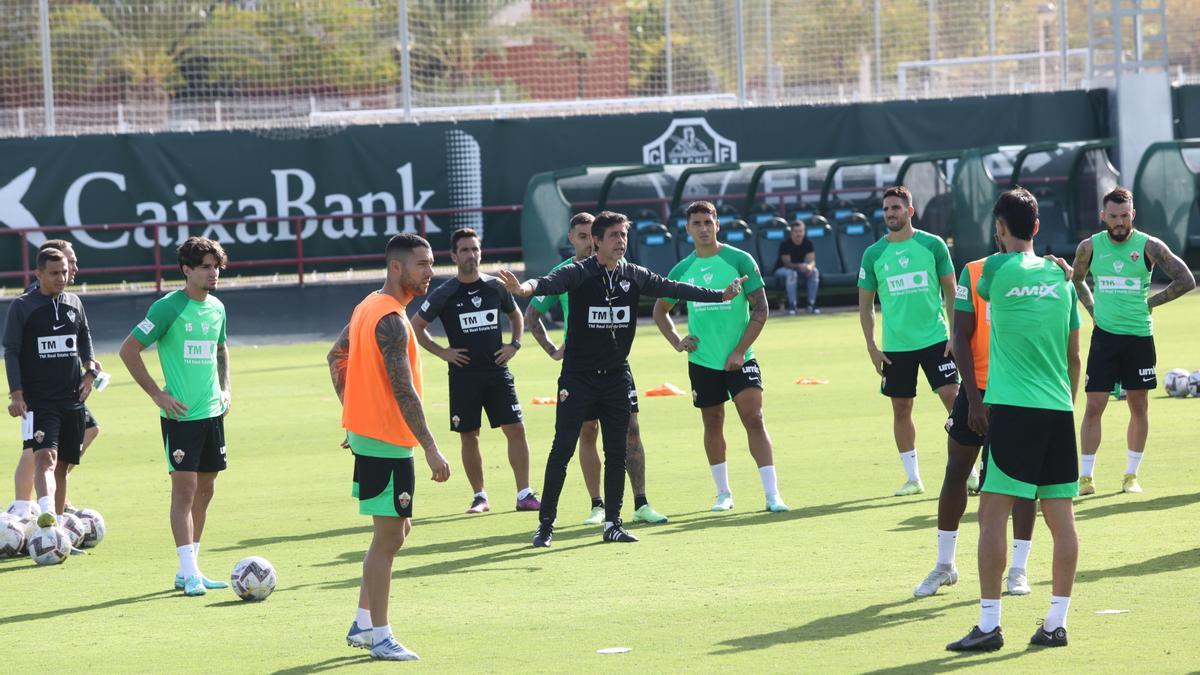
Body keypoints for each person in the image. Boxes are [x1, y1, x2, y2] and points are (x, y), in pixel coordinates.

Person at [499, 211, 743, 547]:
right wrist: (523, 288)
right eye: (614, 235)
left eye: (624, 235)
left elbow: (673, 287)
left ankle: (613, 522)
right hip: (578, 377)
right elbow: (545, 284)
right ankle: (546, 525)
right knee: (562, 449)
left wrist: (720, 295)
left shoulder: (633, 274)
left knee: (617, 451)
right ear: (597, 241)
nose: (621, 241)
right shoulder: (578, 273)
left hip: (616, 377)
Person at [947, 188, 1081, 652]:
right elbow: (1074, 352)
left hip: (1013, 409)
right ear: (1039, 227)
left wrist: (975, 402)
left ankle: (989, 625)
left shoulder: (989, 272)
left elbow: (976, 300)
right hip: (1059, 410)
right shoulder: (1061, 279)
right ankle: (1055, 623)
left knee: (991, 515)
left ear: (999, 228)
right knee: (1061, 519)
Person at [915, 236, 1072, 598]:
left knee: (1022, 485)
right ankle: (945, 565)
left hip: (1019, 394)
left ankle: (1018, 570)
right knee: (956, 471)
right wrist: (972, 399)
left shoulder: (1047, 272)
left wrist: (1064, 270)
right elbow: (960, 334)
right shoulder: (974, 271)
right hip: (979, 389)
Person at [327, 233, 451, 661]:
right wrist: (432, 448)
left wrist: (353, 412)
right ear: (396, 268)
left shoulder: (369, 306)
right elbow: (405, 392)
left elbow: (334, 356)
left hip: (376, 435)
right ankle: (380, 636)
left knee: (399, 530)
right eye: (423, 264)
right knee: (387, 539)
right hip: (384, 439)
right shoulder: (392, 320)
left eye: (431, 263)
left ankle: (364, 623)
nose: (430, 272)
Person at [526, 212, 669, 525]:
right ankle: (597, 505)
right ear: (575, 239)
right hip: (581, 368)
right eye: (582, 236)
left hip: (616, 365)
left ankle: (640, 502)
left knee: (630, 429)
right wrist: (552, 349)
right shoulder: (567, 273)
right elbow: (532, 315)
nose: (589, 242)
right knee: (585, 432)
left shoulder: (622, 272)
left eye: (593, 235)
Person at [653, 201, 789, 513]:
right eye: (696, 223)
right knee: (712, 422)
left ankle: (772, 495)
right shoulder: (682, 270)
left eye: (707, 222)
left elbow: (761, 308)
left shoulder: (739, 259)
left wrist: (740, 350)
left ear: (717, 224)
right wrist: (676, 340)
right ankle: (723, 493)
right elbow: (661, 310)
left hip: (741, 358)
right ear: (687, 229)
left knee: (754, 419)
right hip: (703, 360)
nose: (703, 228)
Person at [119, 237, 232, 596]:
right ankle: (187, 570)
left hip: (213, 413)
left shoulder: (217, 308)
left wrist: (226, 388)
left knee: (207, 488)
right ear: (187, 270)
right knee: (184, 491)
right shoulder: (168, 308)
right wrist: (157, 393)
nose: (213, 273)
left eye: (216, 266)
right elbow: (129, 349)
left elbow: (221, 348)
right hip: (181, 417)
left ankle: (191, 570)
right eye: (205, 267)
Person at [1071, 187, 1195, 495]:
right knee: (1095, 404)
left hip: (1139, 337)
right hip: (1105, 338)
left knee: (1138, 405)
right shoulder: (1090, 247)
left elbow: (1186, 279)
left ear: (1133, 215)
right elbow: (1076, 279)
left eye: (1124, 216)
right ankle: (1086, 478)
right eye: (1113, 216)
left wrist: (1154, 302)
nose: (1119, 222)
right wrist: (1092, 309)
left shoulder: (1149, 246)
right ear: (1103, 216)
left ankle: (1131, 475)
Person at [411, 228, 538, 514]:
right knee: (469, 434)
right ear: (454, 256)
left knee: (516, 428)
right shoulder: (445, 292)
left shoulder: (496, 287)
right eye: (465, 250)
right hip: (464, 376)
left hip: (497, 373)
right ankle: (480, 496)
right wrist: (443, 352)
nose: (472, 255)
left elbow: (516, 315)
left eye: (475, 249)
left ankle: (525, 494)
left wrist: (515, 344)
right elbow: (416, 325)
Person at [857, 186, 959, 496]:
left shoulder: (933, 245)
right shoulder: (873, 254)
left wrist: (955, 336)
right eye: (886, 209)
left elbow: (952, 293)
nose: (890, 213)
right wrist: (872, 347)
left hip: (936, 340)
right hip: (896, 347)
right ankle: (913, 478)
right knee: (901, 408)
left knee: (955, 402)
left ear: (910, 211)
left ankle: (970, 469)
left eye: (896, 208)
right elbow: (865, 306)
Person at [4, 248, 97, 539]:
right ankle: (45, 513)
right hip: (40, 400)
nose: (62, 277)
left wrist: (90, 371)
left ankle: (56, 528)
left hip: (72, 398)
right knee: (46, 457)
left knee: (64, 464)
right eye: (55, 273)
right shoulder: (22, 306)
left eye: (65, 272)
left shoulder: (74, 302)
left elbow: (84, 337)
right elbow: (12, 352)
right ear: (39, 274)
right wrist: (17, 394)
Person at [773, 219, 820, 315]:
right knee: (792, 273)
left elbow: (811, 261)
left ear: (804, 231)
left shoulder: (808, 243)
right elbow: (787, 263)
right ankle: (792, 305)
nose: (799, 234)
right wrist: (799, 266)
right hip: (782, 270)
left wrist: (809, 267)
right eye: (796, 231)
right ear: (791, 232)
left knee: (814, 272)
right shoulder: (785, 244)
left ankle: (811, 304)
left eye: (801, 231)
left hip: (800, 269)